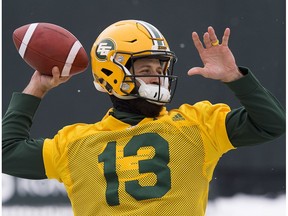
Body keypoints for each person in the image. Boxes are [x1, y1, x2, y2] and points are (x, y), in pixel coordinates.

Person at [2, 20, 285, 216]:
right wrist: (238, 82)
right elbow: (270, 122)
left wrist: (34, 90)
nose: (159, 77)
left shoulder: (73, 144)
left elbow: (7, 151)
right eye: (147, 68)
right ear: (113, 72)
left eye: (160, 68)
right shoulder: (198, 126)